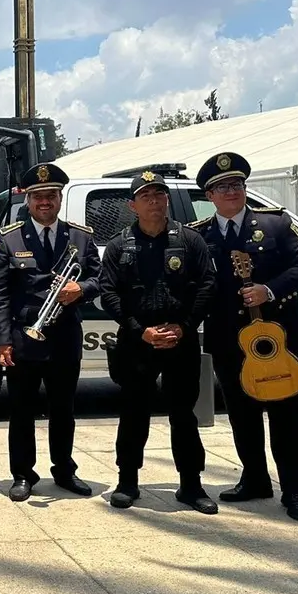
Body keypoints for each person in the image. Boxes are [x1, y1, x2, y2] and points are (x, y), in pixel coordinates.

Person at [192, 152, 298, 522]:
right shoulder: (200, 236)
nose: (231, 192)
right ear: (209, 196)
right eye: (222, 188)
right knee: (241, 413)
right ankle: (255, 479)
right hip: (229, 338)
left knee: (285, 413)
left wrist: (270, 289)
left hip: (278, 335)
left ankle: (295, 490)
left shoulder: (276, 224)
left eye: (237, 185)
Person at [98, 170, 217, 514]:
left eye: (159, 195)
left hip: (181, 340)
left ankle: (191, 485)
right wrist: (141, 330)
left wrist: (184, 326)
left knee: (184, 414)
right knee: (134, 413)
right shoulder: (120, 245)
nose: (154, 201)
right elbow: (108, 293)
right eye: (146, 196)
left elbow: (207, 285)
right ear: (133, 205)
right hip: (138, 342)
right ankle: (127, 481)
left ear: (167, 199)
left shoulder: (189, 241)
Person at [0, 163, 101, 501]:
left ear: (60, 197)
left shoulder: (81, 236)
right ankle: (23, 474)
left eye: (51, 195)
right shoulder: (9, 238)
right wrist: (1, 340)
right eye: (38, 196)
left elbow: (100, 279)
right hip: (24, 337)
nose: (45, 202)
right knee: (21, 410)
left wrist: (79, 288)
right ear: (28, 199)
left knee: (64, 410)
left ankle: (64, 470)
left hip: (65, 336)